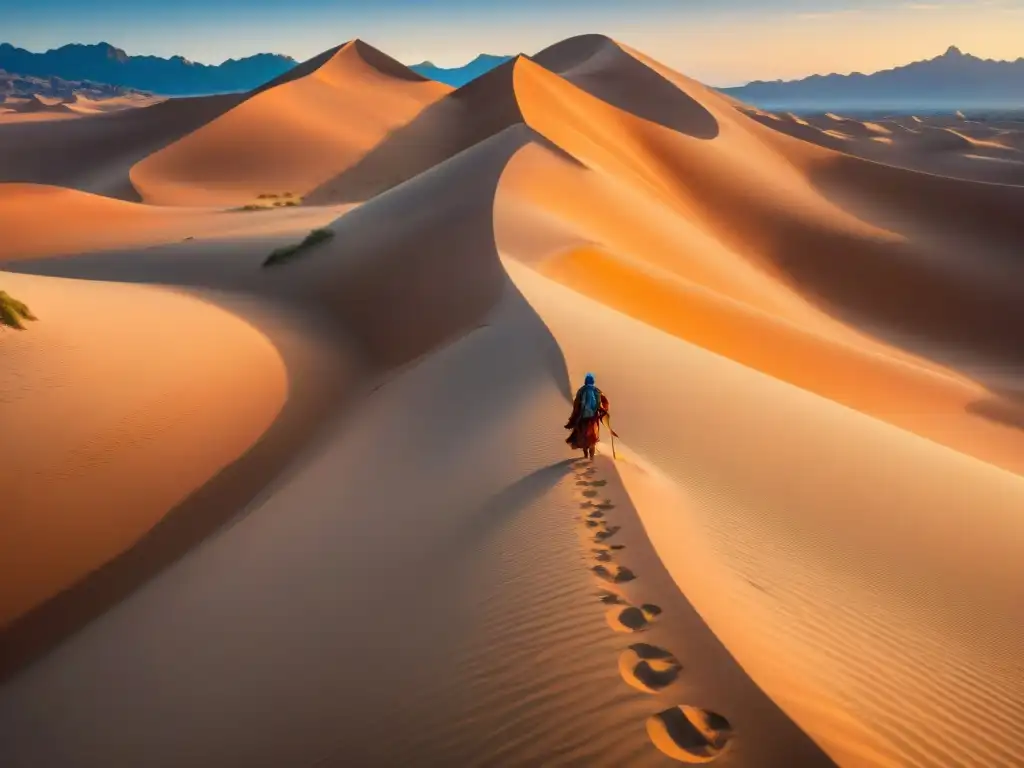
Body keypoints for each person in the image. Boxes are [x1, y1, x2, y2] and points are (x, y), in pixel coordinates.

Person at [565, 372, 610, 460]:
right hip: (593, 418)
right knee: (592, 437)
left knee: (584, 436)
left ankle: (586, 456)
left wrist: (573, 418)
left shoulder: (581, 391)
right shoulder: (597, 391)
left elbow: (576, 405)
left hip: (583, 418)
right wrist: (603, 411)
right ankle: (591, 459)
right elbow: (604, 403)